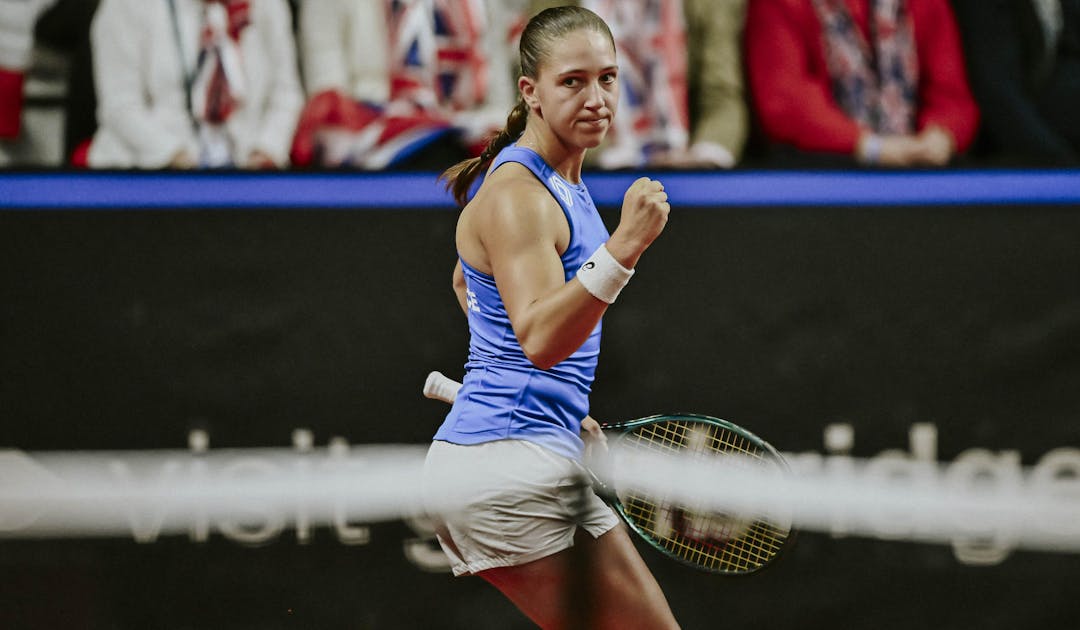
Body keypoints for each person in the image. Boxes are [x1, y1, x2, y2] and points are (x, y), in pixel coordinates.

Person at [421, 6, 679, 629]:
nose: (597, 98)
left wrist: (553, 399)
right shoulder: (518, 195)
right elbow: (537, 336)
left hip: (522, 449)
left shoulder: (561, 180)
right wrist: (625, 249)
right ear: (530, 91)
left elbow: (468, 282)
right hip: (504, 465)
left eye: (608, 78)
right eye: (573, 81)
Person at [290, 0, 525, 170]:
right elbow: (329, 105)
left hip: (466, 138)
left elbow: (499, 104)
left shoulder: (484, 5)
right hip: (369, 144)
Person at [745, 0, 980, 168]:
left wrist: (940, 136)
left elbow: (951, 94)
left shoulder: (924, 4)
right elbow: (786, 101)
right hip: (823, 172)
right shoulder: (780, 4)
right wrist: (870, 146)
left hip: (918, 167)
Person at [530, 0, 749, 169]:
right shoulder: (554, 5)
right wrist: (608, 158)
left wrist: (704, 157)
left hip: (683, 164)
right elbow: (542, 102)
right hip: (588, 169)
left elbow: (721, 94)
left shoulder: (710, 5)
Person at [86, 0, 303, 169]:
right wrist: (177, 157)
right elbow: (120, 106)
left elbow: (287, 94)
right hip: (146, 174)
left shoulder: (267, 6)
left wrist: (265, 150)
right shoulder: (126, 6)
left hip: (242, 175)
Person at [951, 0, 1080, 166]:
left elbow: (1070, 63)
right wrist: (1064, 162)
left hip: (1054, 135)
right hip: (1009, 154)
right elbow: (999, 96)